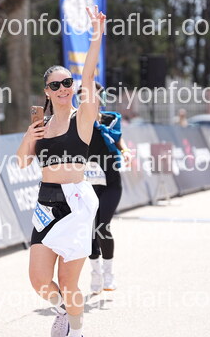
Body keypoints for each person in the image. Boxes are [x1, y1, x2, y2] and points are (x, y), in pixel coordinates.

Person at [16, 6, 105, 337]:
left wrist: (96, 34)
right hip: (46, 201)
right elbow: (22, 163)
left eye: (67, 82)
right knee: (39, 280)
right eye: (56, 85)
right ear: (47, 92)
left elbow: (89, 77)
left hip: (75, 202)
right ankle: (65, 312)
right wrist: (29, 137)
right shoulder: (41, 125)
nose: (64, 88)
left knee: (68, 282)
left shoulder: (82, 117)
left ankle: (76, 332)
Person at [78, 83, 132, 294]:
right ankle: (95, 273)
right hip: (87, 185)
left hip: (110, 183)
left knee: (102, 226)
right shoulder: (77, 122)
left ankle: (109, 273)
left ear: (100, 98)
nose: (90, 100)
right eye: (84, 96)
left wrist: (125, 152)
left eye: (94, 96)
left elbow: (118, 141)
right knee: (89, 230)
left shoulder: (110, 120)